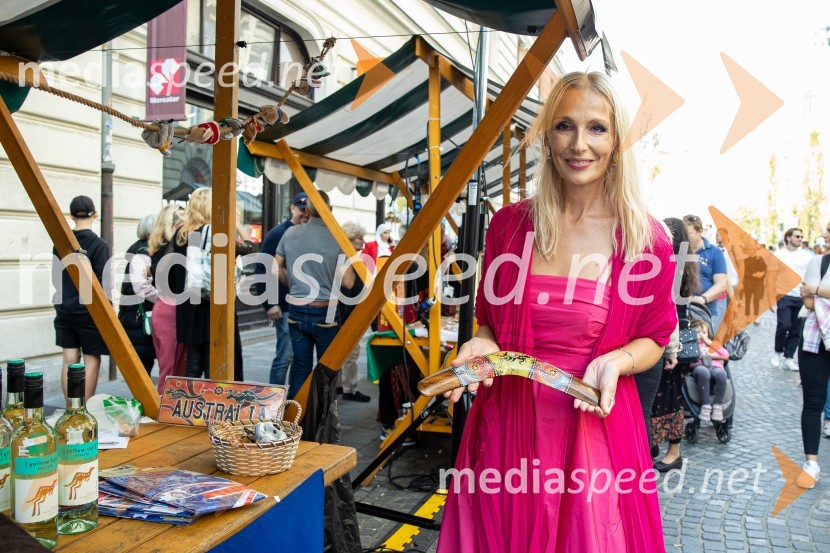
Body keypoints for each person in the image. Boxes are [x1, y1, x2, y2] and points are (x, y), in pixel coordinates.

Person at [437, 72, 677, 552]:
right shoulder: (508, 226)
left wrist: (617, 361)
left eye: (597, 128)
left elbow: (655, 337)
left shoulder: (646, 240)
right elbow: (489, 322)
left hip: (592, 431)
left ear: (616, 140)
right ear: (547, 135)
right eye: (565, 126)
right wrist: (482, 342)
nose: (579, 144)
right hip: (506, 426)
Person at [276, 190, 355, 399]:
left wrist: (292, 283)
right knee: (326, 370)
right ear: (330, 210)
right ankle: (321, 416)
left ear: (308, 211)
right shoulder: (337, 238)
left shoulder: (290, 233)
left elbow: (275, 268)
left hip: (296, 308)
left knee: (301, 367)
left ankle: (295, 415)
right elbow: (348, 282)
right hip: (325, 311)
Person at [651, 217, 700, 473]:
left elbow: (668, 305)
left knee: (670, 397)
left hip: (672, 336)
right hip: (674, 332)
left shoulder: (673, 264)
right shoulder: (685, 263)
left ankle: (674, 452)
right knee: (665, 395)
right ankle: (657, 444)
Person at [52, 195, 110, 400]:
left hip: (64, 308)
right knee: (92, 358)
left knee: (69, 359)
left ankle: (71, 409)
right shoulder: (100, 245)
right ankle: (84, 409)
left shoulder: (60, 244)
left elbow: (56, 278)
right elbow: (104, 284)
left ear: (71, 215)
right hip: (89, 312)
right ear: (95, 214)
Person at [256, 192, 309, 385]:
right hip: (285, 306)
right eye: (301, 209)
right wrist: (270, 303)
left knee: (300, 359)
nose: (304, 213)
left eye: (308, 210)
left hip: (304, 306)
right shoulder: (278, 234)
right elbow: (261, 269)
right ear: (292, 208)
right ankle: (273, 399)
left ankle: (293, 399)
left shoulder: (308, 234)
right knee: (285, 357)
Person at [796, 247, 830, 487]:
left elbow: (811, 294)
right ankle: (811, 464)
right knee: (813, 403)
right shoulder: (819, 262)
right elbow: (808, 302)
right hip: (815, 340)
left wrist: (817, 291)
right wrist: (814, 295)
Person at [148, 204, 187, 394]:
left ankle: (167, 405)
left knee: (172, 368)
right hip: (170, 312)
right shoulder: (171, 250)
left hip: (162, 308)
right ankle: (164, 407)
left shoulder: (159, 249)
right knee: (171, 370)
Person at [119, 214, 158, 375]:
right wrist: (164, 300)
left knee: (143, 365)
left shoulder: (140, 249)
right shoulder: (143, 253)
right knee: (143, 366)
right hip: (139, 319)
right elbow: (142, 288)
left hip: (134, 316)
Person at [336, 222, 371, 402]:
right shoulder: (345, 256)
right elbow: (348, 284)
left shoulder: (346, 256)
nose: (363, 241)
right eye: (359, 238)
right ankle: (350, 388)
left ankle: (341, 386)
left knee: (342, 351)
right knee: (351, 352)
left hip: (346, 311)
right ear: (349, 238)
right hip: (347, 312)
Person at [771, 227, 813, 371]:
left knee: (796, 329)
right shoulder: (779, 255)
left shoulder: (807, 256)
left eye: (801, 237)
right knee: (784, 324)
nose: (800, 239)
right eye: (797, 236)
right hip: (783, 295)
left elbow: (811, 275)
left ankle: (788, 358)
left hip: (801, 296)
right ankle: (777, 351)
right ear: (788, 238)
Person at [683, 214, 728, 332]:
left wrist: (703, 298)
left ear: (700, 232)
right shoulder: (680, 251)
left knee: (707, 341)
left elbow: (721, 284)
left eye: (689, 233)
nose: (685, 236)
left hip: (706, 310)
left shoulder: (715, 252)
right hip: (683, 309)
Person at [688, 319, 729, 422]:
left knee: (721, 374)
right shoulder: (692, 345)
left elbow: (726, 354)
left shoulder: (713, 344)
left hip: (715, 366)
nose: (701, 335)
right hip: (700, 366)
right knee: (704, 373)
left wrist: (709, 342)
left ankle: (717, 405)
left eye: (704, 332)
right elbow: (689, 360)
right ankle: (705, 405)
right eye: (697, 332)